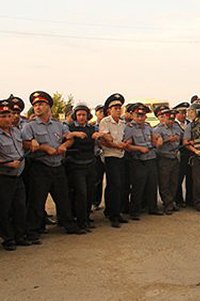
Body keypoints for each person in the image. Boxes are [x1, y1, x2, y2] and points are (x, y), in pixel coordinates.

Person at [22, 91, 84, 240]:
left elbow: (69, 138)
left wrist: (65, 146)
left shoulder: (58, 124)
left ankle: (68, 225)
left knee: (63, 197)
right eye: (35, 105)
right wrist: (43, 147)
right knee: (36, 200)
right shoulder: (29, 126)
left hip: (58, 166)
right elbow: (24, 143)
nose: (37, 107)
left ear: (48, 106)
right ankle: (33, 230)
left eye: (41, 104)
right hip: (40, 166)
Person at [66, 103, 104, 231]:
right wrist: (74, 134)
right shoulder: (69, 128)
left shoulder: (92, 128)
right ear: (75, 116)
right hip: (76, 165)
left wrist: (99, 136)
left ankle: (86, 219)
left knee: (89, 193)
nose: (82, 117)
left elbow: (102, 139)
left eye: (84, 115)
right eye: (79, 115)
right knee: (80, 193)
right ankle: (80, 221)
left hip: (90, 163)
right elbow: (62, 137)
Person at [123, 103, 163, 220]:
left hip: (151, 157)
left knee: (152, 184)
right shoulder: (129, 128)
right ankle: (135, 211)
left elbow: (154, 138)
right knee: (138, 186)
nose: (140, 118)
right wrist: (139, 148)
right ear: (133, 115)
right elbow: (127, 146)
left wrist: (158, 140)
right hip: (138, 160)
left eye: (142, 115)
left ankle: (152, 208)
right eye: (138, 115)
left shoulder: (148, 126)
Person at [0, 99, 28, 250]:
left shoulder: (16, 131)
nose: (7, 119)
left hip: (18, 176)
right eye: (2, 116)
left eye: (8, 115)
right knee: (4, 209)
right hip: (4, 176)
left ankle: (20, 236)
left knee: (20, 207)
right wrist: (7, 163)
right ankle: (8, 238)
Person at [99, 93, 128, 228]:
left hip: (121, 156)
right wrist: (117, 145)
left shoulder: (123, 123)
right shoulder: (105, 122)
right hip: (110, 156)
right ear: (109, 110)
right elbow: (104, 141)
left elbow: (124, 139)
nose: (117, 110)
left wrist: (124, 144)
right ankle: (113, 215)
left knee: (119, 185)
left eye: (119, 107)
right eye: (114, 108)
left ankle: (115, 211)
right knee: (114, 185)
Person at [154, 105, 183, 214]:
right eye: (169, 118)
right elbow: (156, 145)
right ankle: (167, 204)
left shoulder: (176, 127)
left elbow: (183, 137)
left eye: (172, 118)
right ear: (164, 118)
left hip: (175, 157)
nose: (171, 121)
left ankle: (172, 201)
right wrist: (167, 140)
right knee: (164, 183)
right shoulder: (157, 129)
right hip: (164, 158)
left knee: (174, 182)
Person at [173, 102, 193, 207]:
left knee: (190, 177)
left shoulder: (189, 123)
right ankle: (178, 200)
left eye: (185, 112)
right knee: (178, 178)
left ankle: (190, 199)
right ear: (176, 114)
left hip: (190, 153)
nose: (184, 115)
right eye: (181, 113)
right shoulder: (174, 125)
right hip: (180, 153)